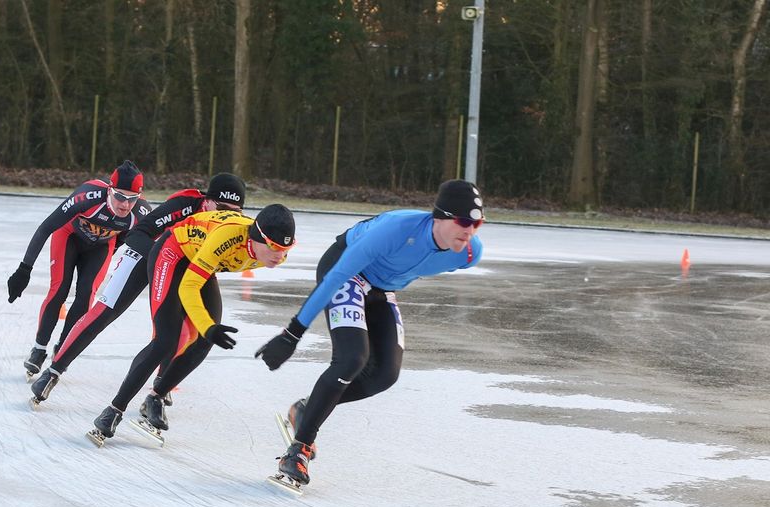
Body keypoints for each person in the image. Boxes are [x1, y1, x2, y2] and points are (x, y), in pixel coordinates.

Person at [255, 179, 485, 487]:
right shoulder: (395, 230)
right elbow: (337, 274)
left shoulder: (469, 253)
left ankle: (306, 410)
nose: (470, 230)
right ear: (439, 217)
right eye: (463, 221)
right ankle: (298, 450)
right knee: (352, 359)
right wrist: (292, 334)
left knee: (384, 375)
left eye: (477, 223)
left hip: (382, 288)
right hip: (347, 271)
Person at [28, 173, 247, 405]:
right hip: (148, 253)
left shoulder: (235, 227)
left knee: (182, 330)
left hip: (185, 266)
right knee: (104, 311)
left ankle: (161, 386)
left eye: (235, 212)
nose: (227, 216)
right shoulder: (184, 205)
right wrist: (158, 256)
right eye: (222, 207)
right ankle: (54, 371)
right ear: (207, 201)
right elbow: (137, 233)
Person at [88, 203, 296, 446]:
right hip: (173, 251)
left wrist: (208, 329)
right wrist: (206, 325)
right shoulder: (227, 238)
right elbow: (189, 286)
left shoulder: (275, 254)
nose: (280, 256)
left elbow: (203, 275)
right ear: (256, 237)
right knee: (166, 341)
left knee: (205, 341)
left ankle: (156, 396)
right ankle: (113, 410)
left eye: (286, 248)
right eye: (273, 247)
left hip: (202, 259)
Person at [7, 160, 152, 380]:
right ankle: (38, 348)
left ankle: (62, 349)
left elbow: (136, 241)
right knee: (59, 290)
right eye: (120, 196)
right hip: (69, 237)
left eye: (132, 199)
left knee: (86, 296)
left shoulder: (141, 212)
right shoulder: (88, 195)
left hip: (101, 247)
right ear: (109, 190)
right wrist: (24, 269)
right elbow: (46, 228)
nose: (125, 205)